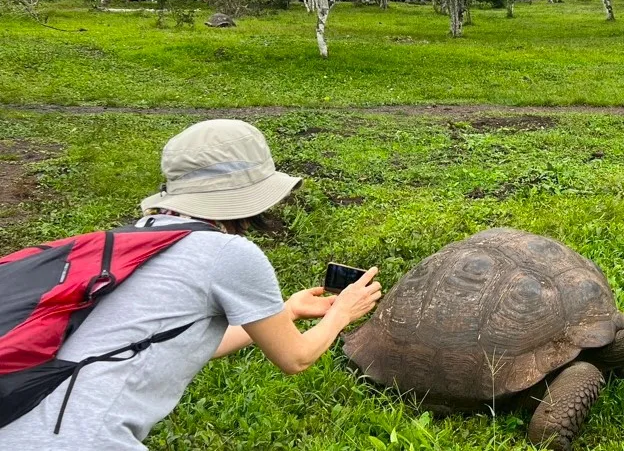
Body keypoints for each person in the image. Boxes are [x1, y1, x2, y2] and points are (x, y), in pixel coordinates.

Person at [0, 119, 382, 450]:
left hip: (19, 423)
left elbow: (193, 342)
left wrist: (288, 311)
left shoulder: (137, 241)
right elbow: (295, 358)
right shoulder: (230, 253)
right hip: (82, 438)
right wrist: (342, 312)